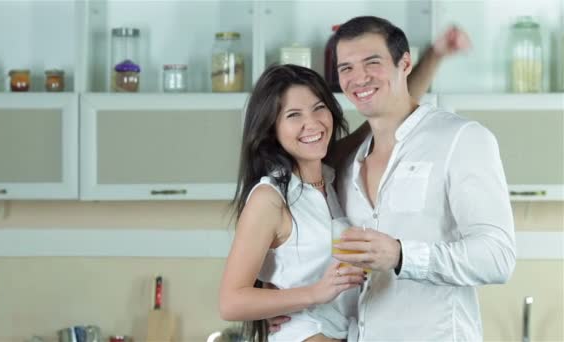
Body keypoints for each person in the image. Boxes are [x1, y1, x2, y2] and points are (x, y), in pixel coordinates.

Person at [328, 16, 515, 341]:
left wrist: (402, 255)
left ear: (405, 63)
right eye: (346, 68)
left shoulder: (461, 138)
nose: (359, 78)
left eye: (372, 62)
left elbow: (497, 257)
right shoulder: (346, 165)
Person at [219, 64, 367, 342]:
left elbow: (383, 116)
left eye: (319, 107)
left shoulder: (333, 175)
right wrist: (313, 293)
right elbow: (230, 302)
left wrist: (437, 54)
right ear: (272, 129)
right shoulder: (270, 199)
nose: (312, 123)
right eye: (293, 115)